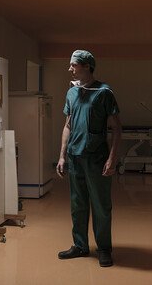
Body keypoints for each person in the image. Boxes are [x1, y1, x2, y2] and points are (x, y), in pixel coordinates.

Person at [56, 50, 121, 267]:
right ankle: (80, 246)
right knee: (78, 204)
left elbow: (116, 128)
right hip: (75, 157)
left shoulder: (104, 93)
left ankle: (103, 248)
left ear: (86, 66)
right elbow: (68, 126)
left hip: (97, 158)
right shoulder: (72, 93)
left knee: (101, 205)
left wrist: (112, 158)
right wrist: (62, 156)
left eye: (73, 65)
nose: (70, 69)